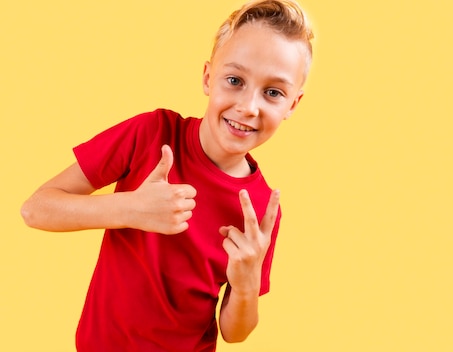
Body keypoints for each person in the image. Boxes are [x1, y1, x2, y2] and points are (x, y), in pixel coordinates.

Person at [20, 0, 313, 350]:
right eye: (234, 80)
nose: (249, 107)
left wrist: (248, 284)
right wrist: (129, 209)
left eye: (273, 92)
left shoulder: (262, 210)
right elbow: (36, 209)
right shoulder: (151, 134)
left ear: (292, 104)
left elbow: (234, 332)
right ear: (208, 77)